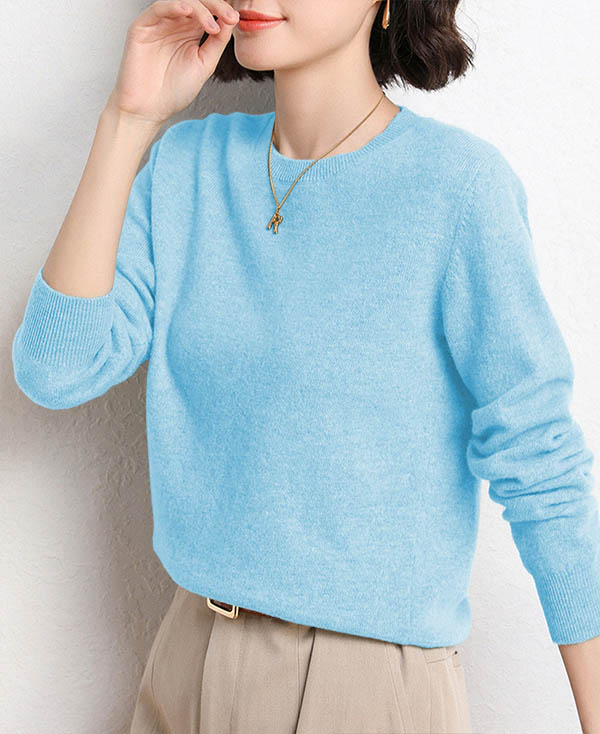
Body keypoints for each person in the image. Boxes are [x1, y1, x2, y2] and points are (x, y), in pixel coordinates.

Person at [11, 0, 600, 732]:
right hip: (185, 659)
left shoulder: (455, 188)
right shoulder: (187, 165)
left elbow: (539, 458)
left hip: (362, 685)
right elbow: (57, 369)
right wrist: (128, 120)